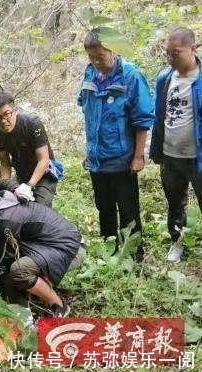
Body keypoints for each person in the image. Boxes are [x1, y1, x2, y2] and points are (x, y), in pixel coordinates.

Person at [78, 28, 155, 262]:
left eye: (100, 56)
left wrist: (138, 156)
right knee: (104, 207)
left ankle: (133, 255)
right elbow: (86, 108)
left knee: (128, 209)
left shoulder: (131, 76)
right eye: (91, 57)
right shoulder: (89, 74)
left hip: (122, 158)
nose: (96, 62)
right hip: (97, 159)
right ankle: (109, 250)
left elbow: (142, 120)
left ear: (112, 49)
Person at [0, 179, 85, 317]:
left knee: (19, 270)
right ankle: (39, 288)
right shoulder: (3, 200)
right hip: (59, 242)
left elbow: (6, 257)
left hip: (71, 250)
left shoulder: (6, 219)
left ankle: (59, 305)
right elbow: (2, 181)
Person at [149, 27, 202, 263]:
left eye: (176, 53)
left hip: (197, 156)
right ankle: (177, 241)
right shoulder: (164, 78)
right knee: (175, 203)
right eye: (167, 53)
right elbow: (159, 116)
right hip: (171, 155)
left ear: (193, 48)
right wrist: (156, 149)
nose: (170, 58)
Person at [0, 91, 63, 207]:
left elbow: (43, 159)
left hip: (45, 173)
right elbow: (5, 164)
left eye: (7, 114)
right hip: (22, 174)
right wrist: (5, 188)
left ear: (15, 110)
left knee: (41, 207)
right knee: (11, 204)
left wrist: (29, 185)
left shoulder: (32, 124)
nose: (3, 121)